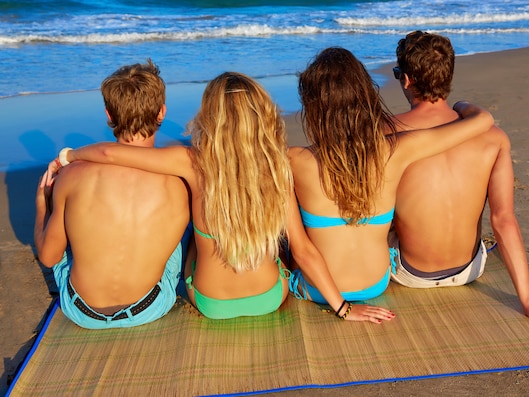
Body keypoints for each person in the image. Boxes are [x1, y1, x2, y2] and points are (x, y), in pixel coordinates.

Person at [44, 72, 395, 323]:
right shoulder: (276, 168)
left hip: (209, 302)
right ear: (262, 115)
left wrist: (68, 157)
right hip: (269, 300)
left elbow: (111, 155)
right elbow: (303, 250)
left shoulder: (192, 161)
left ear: (210, 115)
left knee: (188, 225)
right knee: (283, 244)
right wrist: (344, 309)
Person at [390, 31, 529, 331]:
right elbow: (503, 219)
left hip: (410, 273)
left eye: (398, 73)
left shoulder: (388, 133)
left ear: (408, 80)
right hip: (470, 269)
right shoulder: (493, 138)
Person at [287, 47, 494, 307]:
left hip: (317, 290)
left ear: (312, 104)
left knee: (288, 227)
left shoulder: (293, 160)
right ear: (365, 97)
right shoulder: (398, 149)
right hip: (375, 283)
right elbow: (483, 120)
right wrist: (462, 105)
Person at [35, 59, 191, 329]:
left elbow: (49, 258)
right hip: (149, 306)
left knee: (70, 228)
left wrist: (42, 208)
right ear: (162, 112)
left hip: (82, 310)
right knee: (183, 230)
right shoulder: (180, 182)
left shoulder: (72, 176)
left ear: (109, 115)